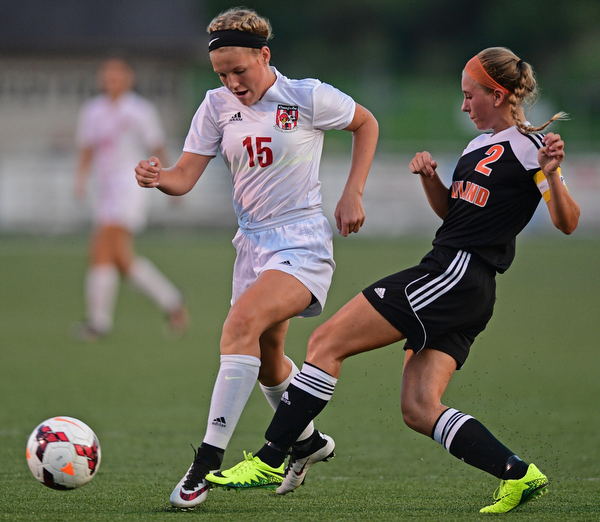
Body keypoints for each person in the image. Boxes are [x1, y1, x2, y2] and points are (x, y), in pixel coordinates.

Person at [208, 47, 580, 514]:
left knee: (325, 343)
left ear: (498, 94)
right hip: (466, 283)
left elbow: (566, 221)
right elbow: (455, 213)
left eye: (470, 96)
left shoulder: (530, 148)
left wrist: (552, 176)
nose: (464, 106)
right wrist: (431, 181)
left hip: (454, 273)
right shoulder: (477, 146)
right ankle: (520, 474)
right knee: (419, 408)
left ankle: (270, 456)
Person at [134, 7, 378, 509]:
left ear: (264, 55)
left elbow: (365, 123)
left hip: (302, 242)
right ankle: (307, 442)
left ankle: (204, 466)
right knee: (269, 361)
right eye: (221, 73)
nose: (232, 82)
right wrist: (159, 177)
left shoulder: (306, 96)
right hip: (250, 245)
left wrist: (353, 192)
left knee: (239, 324)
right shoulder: (215, 105)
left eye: (239, 71)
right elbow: (184, 177)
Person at [74, 57, 188, 341]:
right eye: (106, 74)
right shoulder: (93, 111)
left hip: (131, 187)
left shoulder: (139, 110)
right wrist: (81, 178)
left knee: (102, 247)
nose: (110, 79)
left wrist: (172, 179)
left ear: (128, 78)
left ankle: (98, 323)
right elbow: (87, 148)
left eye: (116, 74)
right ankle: (172, 302)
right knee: (120, 258)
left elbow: (156, 145)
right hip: (106, 190)